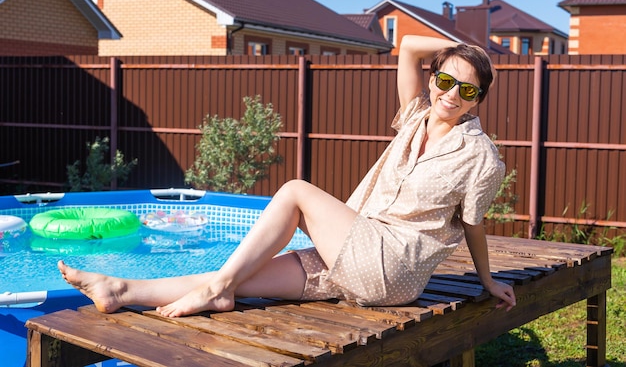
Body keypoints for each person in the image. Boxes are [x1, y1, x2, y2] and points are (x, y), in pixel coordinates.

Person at [59, 35, 517, 318]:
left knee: (295, 190)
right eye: (445, 81)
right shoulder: (415, 115)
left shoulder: (481, 157)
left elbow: (472, 226)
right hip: (355, 250)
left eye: (468, 89)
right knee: (241, 273)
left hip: (391, 269)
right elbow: (410, 48)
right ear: (433, 79)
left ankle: (218, 290)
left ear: (479, 99)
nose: (452, 94)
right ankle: (120, 289)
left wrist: (488, 280)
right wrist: (462, 47)